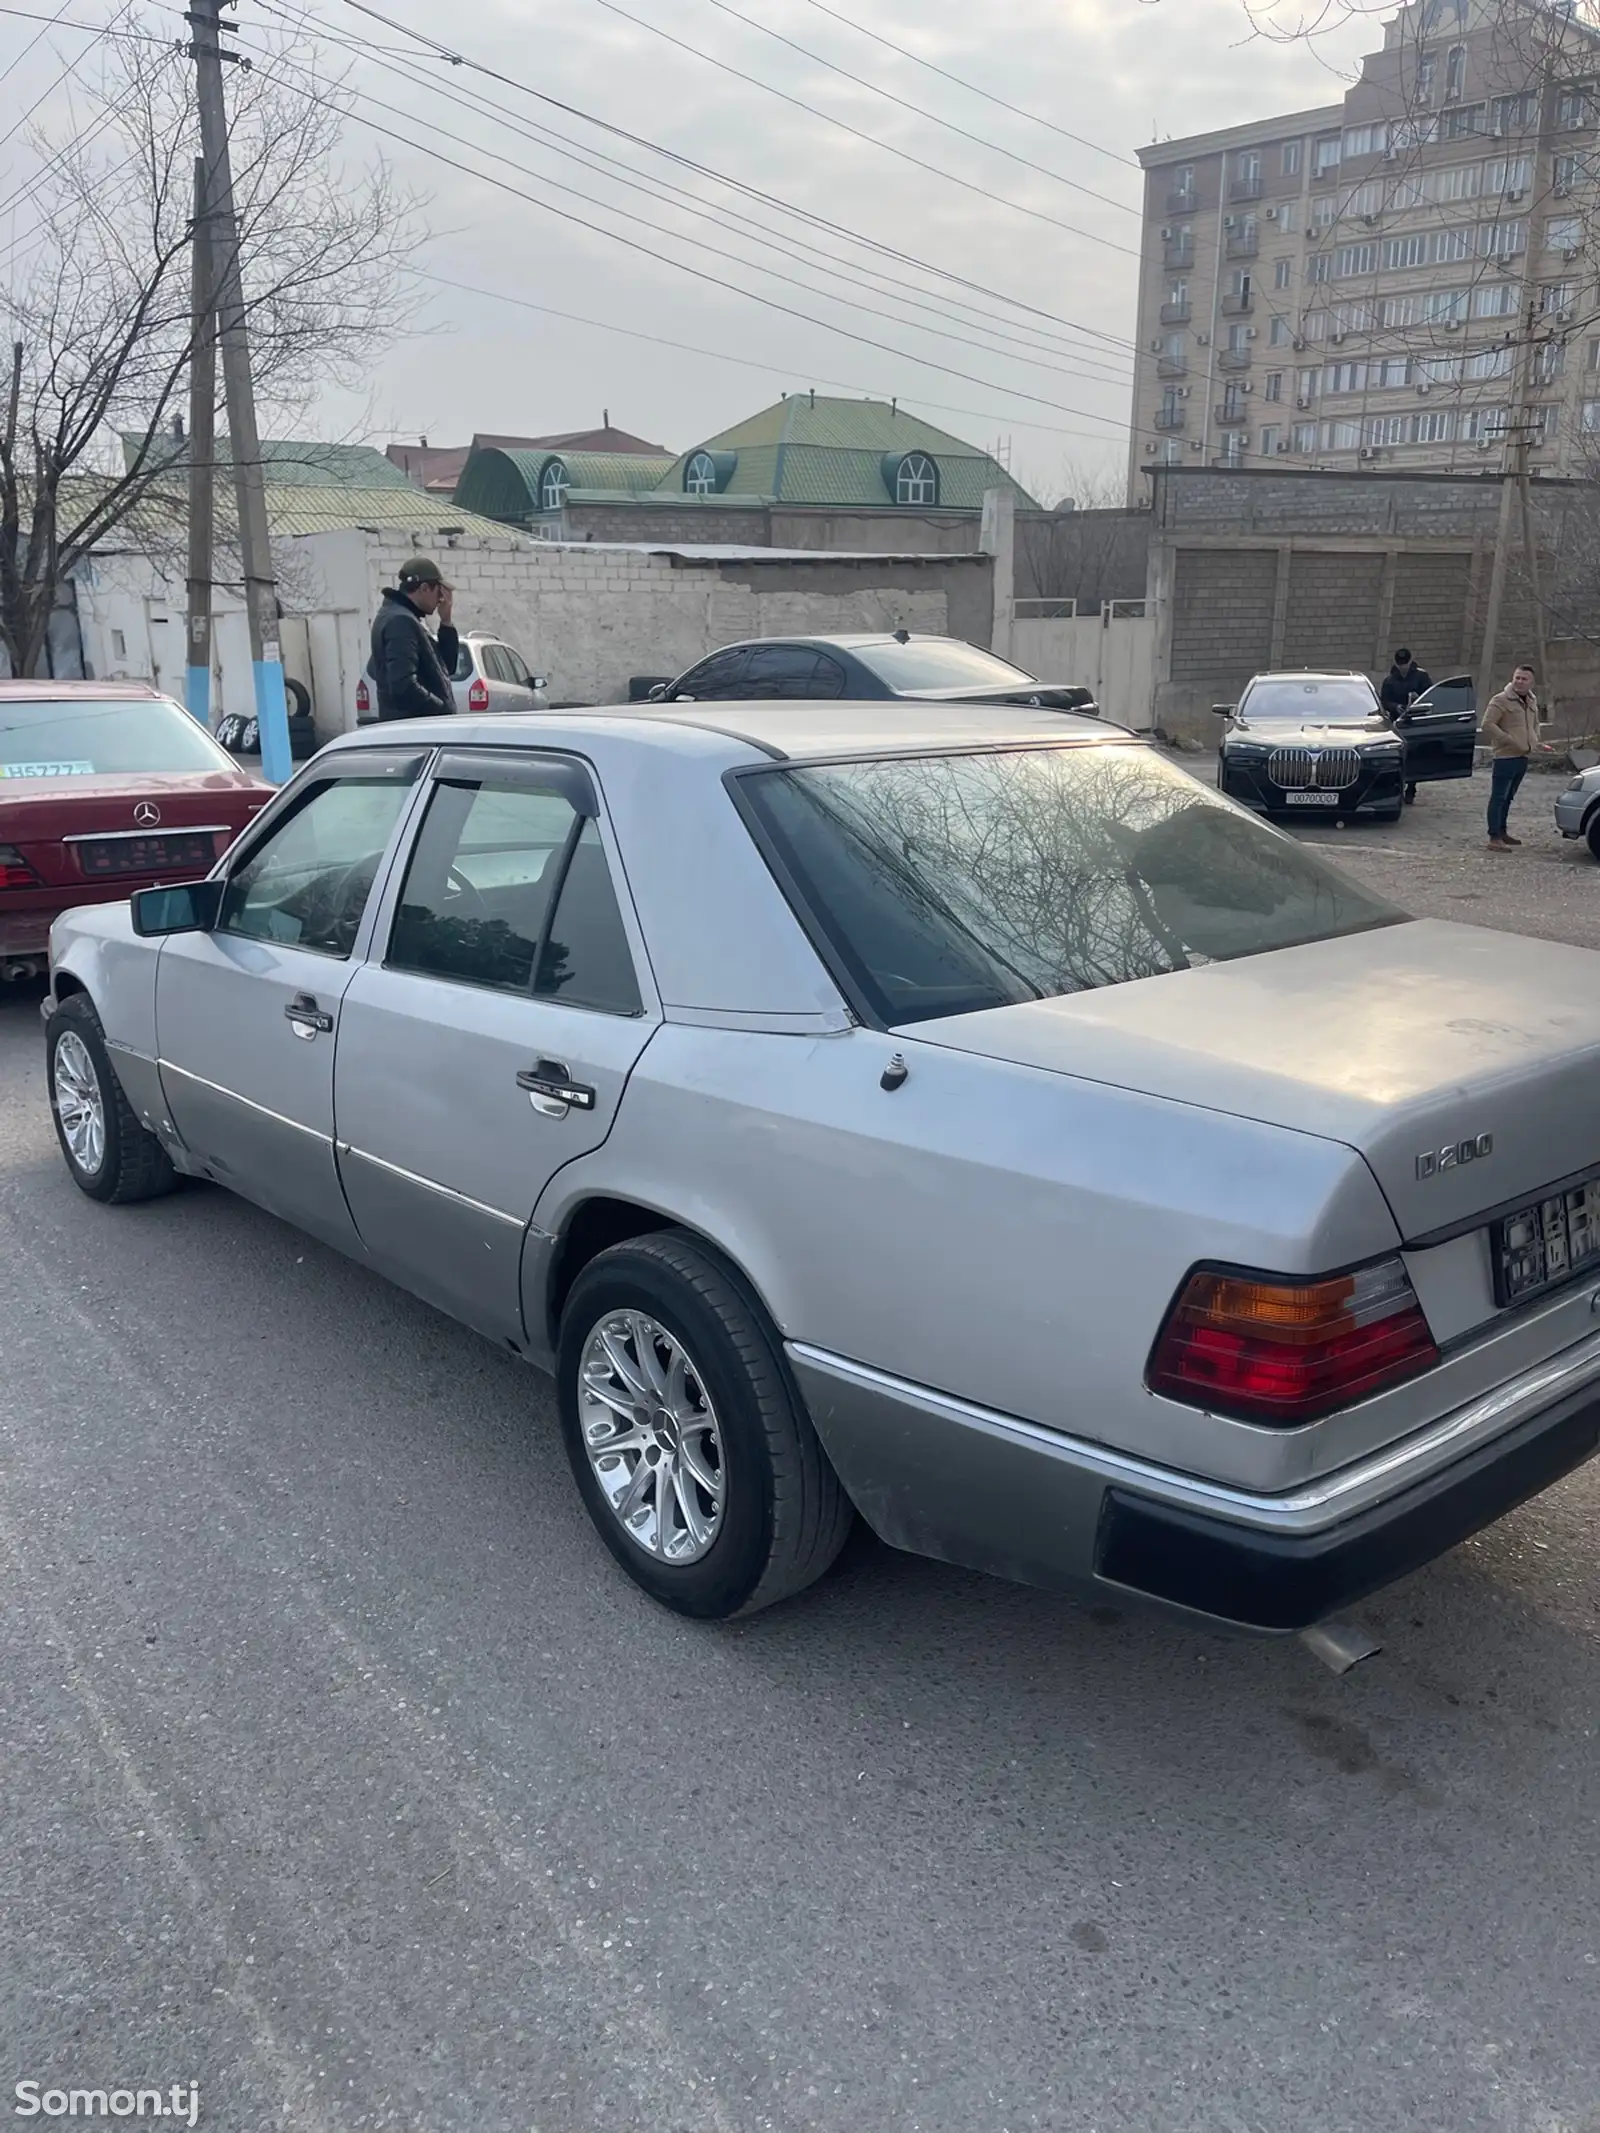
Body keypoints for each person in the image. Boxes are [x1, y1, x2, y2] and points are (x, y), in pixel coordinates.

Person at [369, 557, 459, 721]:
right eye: (439, 592)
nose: (441, 599)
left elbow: (447, 667)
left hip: (415, 729)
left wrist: (446, 622)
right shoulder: (400, 621)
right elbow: (403, 686)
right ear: (424, 588)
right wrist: (441, 710)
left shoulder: (403, 616)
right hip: (415, 731)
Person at [1480, 663, 1548, 850]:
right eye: (1517, 677)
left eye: (1524, 679)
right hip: (1505, 757)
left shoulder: (1531, 701)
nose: (1519, 681)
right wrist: (1507, 740)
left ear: (1531, 683)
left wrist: (1535, 739)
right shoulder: (1500, 700)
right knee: (1498, 797)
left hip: (1522, 757)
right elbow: (1488, 724)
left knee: (1509, 797)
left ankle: (1502, 832)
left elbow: (1535, 723)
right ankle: (1494, 837)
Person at [1379, 648, 1433, 805]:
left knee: (1415, 755)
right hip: (1397, 722)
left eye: (1405, 664)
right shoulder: (1390, 680)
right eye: (1400, 664)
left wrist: (1418, 700)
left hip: (1416, 721)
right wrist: (1396, 707)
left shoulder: (1421, 677)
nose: (1403, 667)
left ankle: (1411, 788)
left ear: (1410, 662)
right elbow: (1385, 701)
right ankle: (1397, 787)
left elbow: (1430, 695)